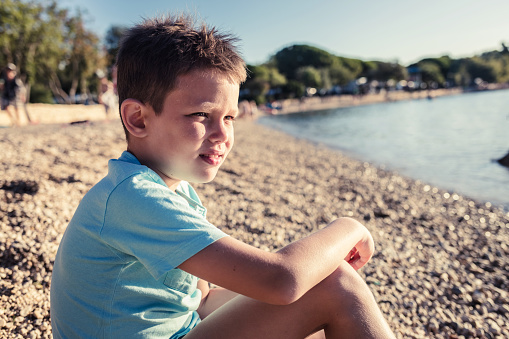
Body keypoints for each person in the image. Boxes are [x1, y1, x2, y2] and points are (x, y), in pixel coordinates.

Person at [50, 14, 395, 339]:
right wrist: (351, 226)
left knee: (317, 301)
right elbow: (281, 280)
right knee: (334, 285)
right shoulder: (133, 197)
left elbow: (200, 301)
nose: (222, 134)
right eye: (201, 114)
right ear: (138, 119)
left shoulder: (175, 191)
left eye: (229, 118)